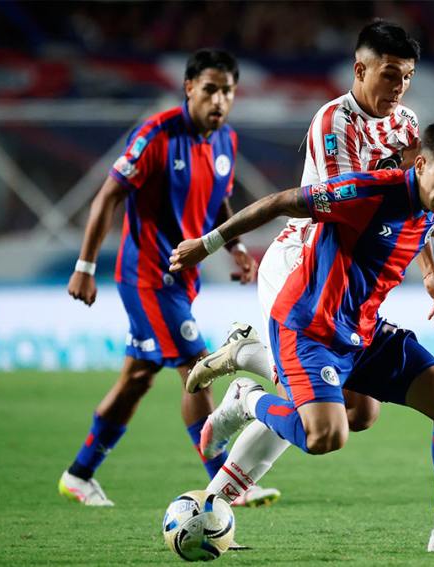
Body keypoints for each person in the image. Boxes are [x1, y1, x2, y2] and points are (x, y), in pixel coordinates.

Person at [184, 20, 434, 509]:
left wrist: (430, 271)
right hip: (303, 262)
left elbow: (416, 206)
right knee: (306, 399)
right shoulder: (334, 123)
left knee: (360, 412)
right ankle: (229, 459)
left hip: (351, 276)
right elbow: (362, 210)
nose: (400, 87)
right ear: (360, 70)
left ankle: (243, 396)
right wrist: (211, 243)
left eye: (407, 77)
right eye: (390, 74)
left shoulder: (406, 123)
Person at [170, 122, 434, 553]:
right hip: (308, 328)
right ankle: (247, 398)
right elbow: (280, 202)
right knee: (326, 437)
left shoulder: (430, 199)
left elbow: (433, 221)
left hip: (362, 329)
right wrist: (207, 244)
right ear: (420, 165)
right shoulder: (368, 192)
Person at [59, 48, 278, 508]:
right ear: (189, 88)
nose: (219, 100)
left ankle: (79, 474)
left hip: (182, 279)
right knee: (198, 367)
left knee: (137, 379)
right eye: (210, 90)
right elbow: (107, 196)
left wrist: (235, 246)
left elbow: (218, 199)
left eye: (227, 92)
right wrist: (85, 266)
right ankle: (227, 483)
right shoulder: (156, 135)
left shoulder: (226, 140)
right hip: (146, 277)